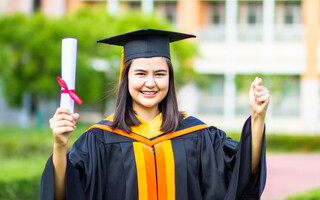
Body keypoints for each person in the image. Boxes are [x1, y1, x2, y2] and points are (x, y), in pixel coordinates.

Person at [41, 29, 270, 200]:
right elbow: (64, 193)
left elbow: (243, 174)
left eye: (159, 74)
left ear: (169, 79)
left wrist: (257, 117)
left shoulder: (197, 135)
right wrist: (60, 146)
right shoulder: (99, 140)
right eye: (140, 73)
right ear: (126, 77)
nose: (150, 83)